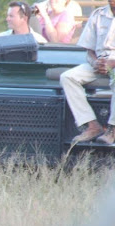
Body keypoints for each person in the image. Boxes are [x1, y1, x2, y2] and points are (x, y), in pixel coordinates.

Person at [59, 0, 115, 144]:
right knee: (68, 77)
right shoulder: (98, 14)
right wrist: (95, 62)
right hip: (99, 62)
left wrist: (112, 63)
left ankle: (113, 129)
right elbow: (89, 49)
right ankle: (91, 125)